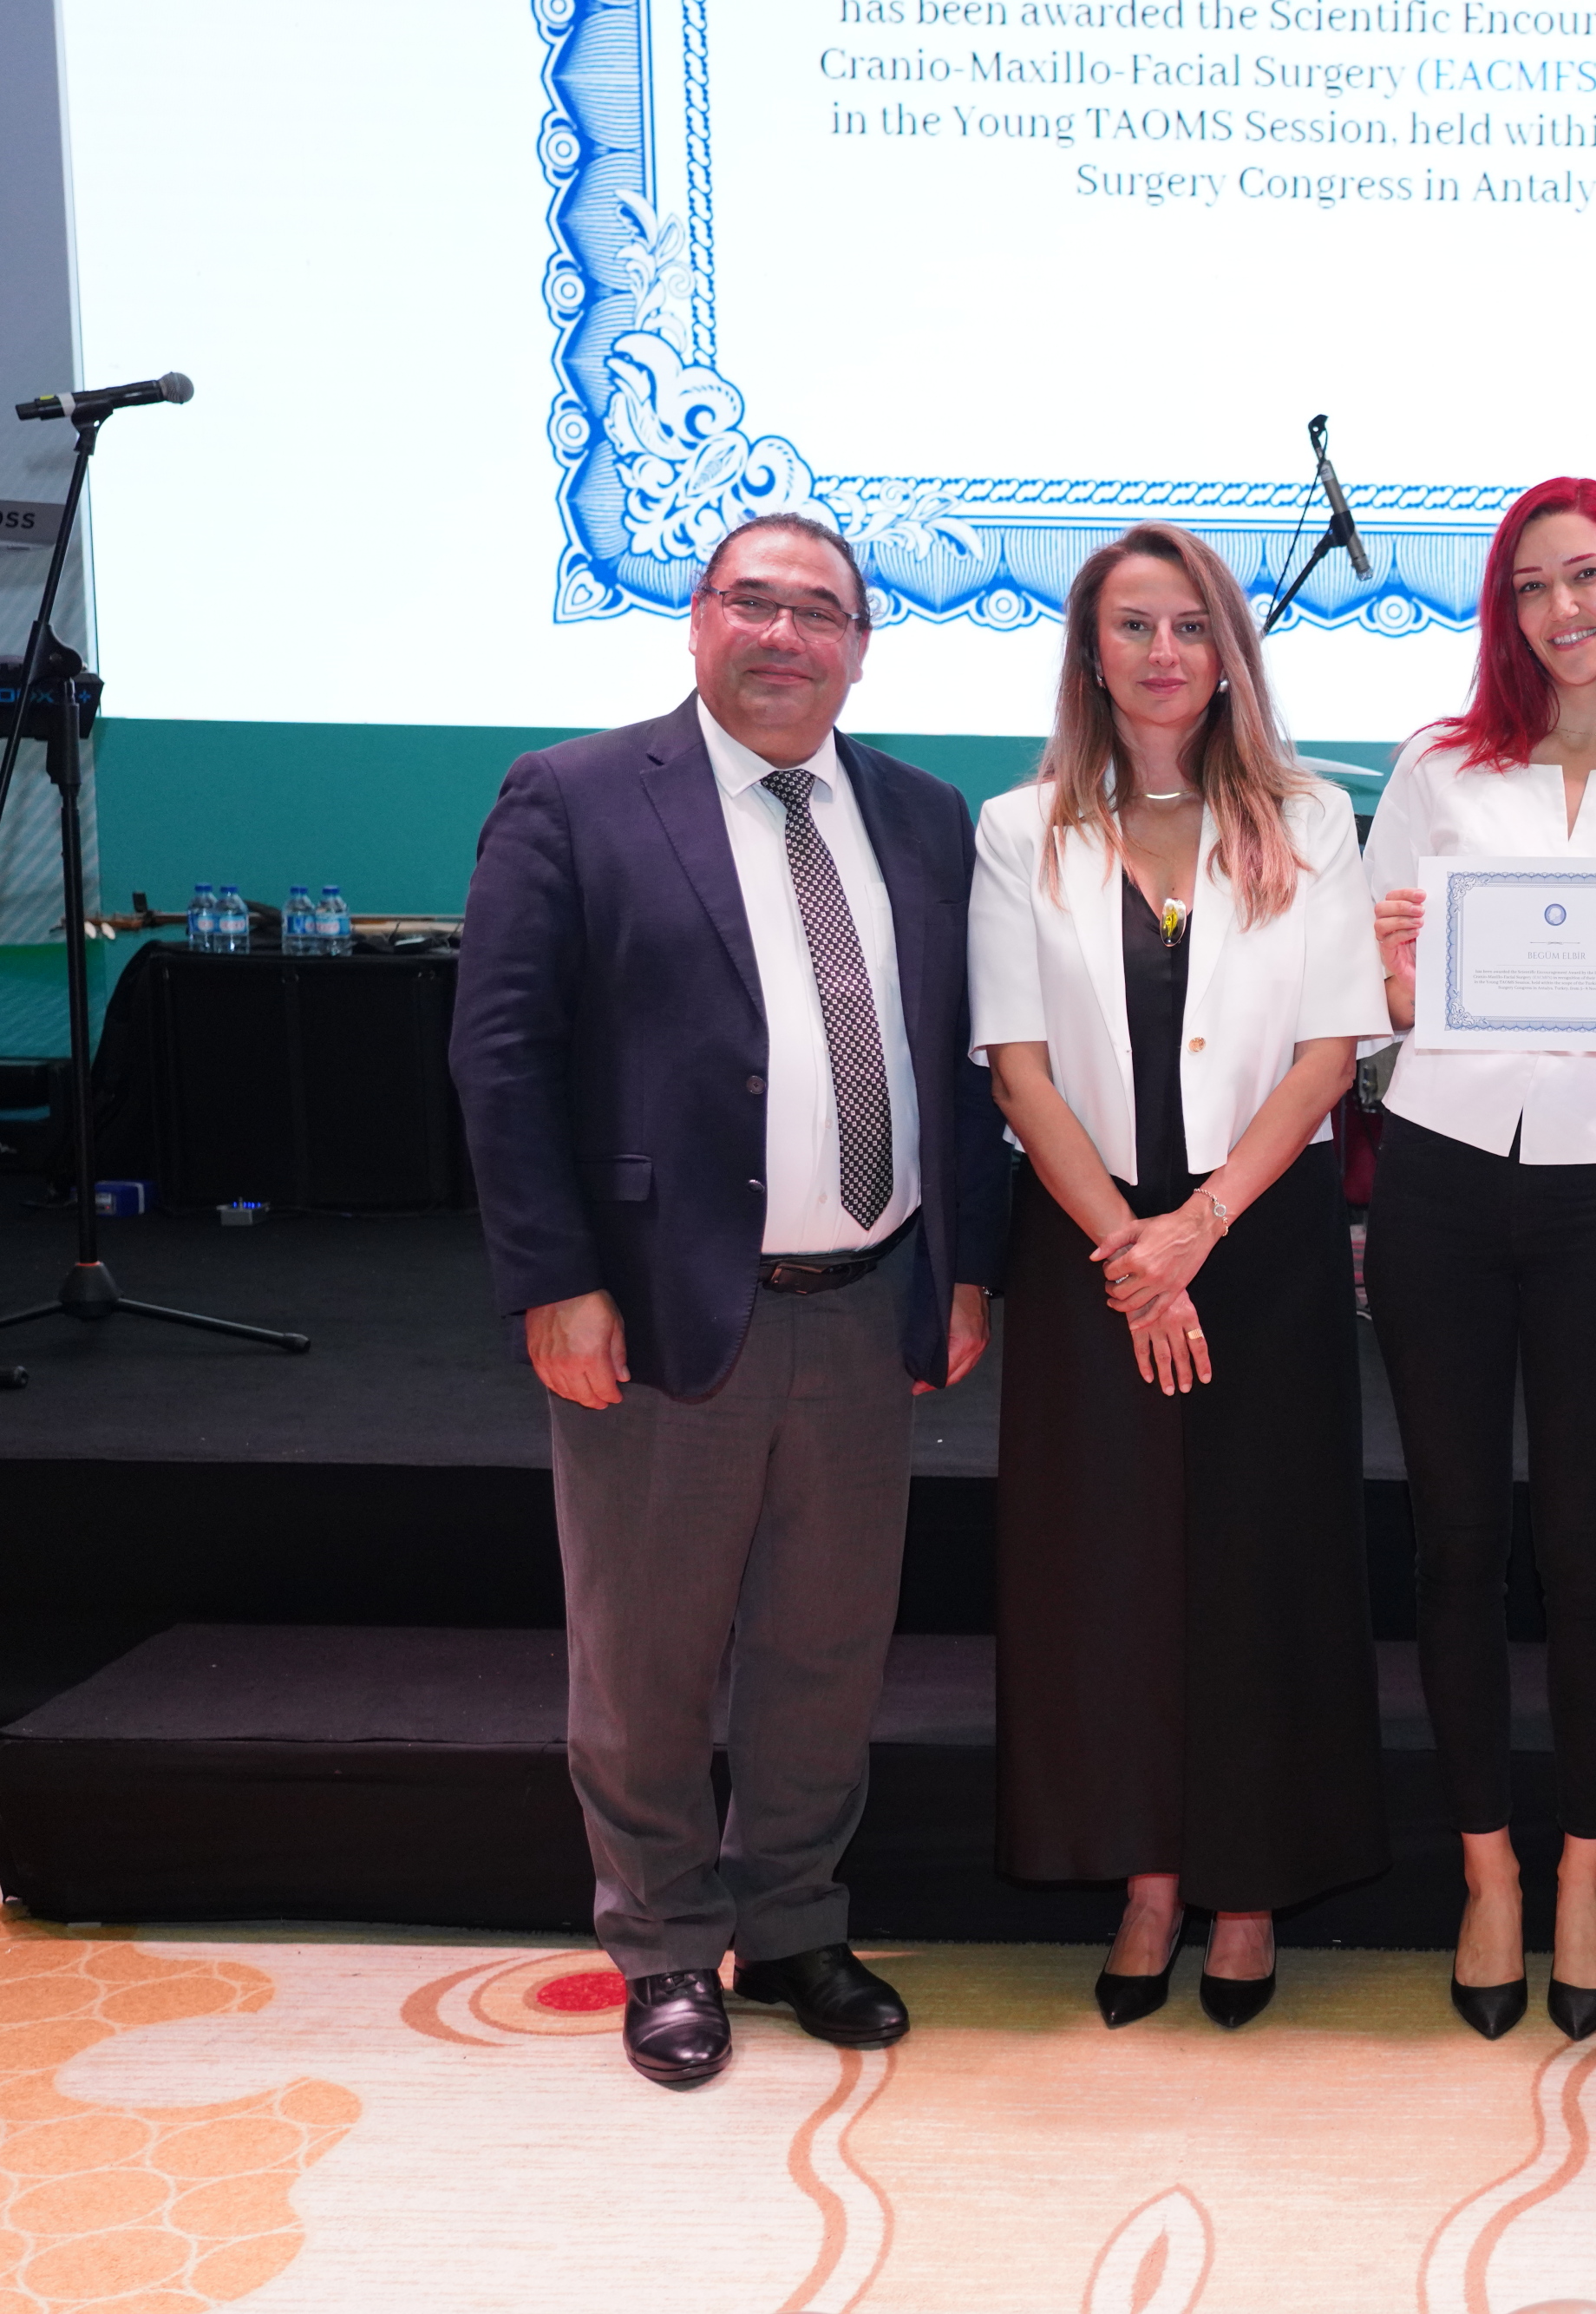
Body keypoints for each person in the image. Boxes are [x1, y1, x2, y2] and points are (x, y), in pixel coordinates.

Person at [452, 511, 1006, 2088]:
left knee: (827, 1647)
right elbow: (501, 1055)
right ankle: (665, 1945)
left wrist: (964, 1266)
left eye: (818, 611)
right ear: (697, 622)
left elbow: (962, 1061)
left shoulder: (922, 815)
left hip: (867, 1302)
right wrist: (557, 1281)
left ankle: (797, 1920)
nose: (783, 635)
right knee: (648, 1653)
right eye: (751, 602)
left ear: (858, 649)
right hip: (658, 1309)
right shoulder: (572, 796)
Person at [969, 524, 1391, 2032]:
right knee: (1108, 1569)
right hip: (1087, 1243)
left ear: (1229, 654)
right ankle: (1146, 1874)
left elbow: (1331, 1053)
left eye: (1190, 626)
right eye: (1133, 626)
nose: (1163, 653)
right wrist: (1133, 1254)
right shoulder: (1019, 829)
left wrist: (1198, 1231)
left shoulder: (1311, 817)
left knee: (1259, 1560)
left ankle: (1249, 1883)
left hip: (1256, 1239)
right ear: (1091, 653)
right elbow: (1018, 1069)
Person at [1364, 477, 1596, 2042]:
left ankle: (1588, 1867)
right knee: (1456, 1541)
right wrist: (1399, 965)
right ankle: (1488, 1872)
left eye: (1584, 576)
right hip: (1440, 1178)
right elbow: (1381, 1008)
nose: (1560, 608)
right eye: (1529, 585)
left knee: (1587, 1546)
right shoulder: (1437, 766)